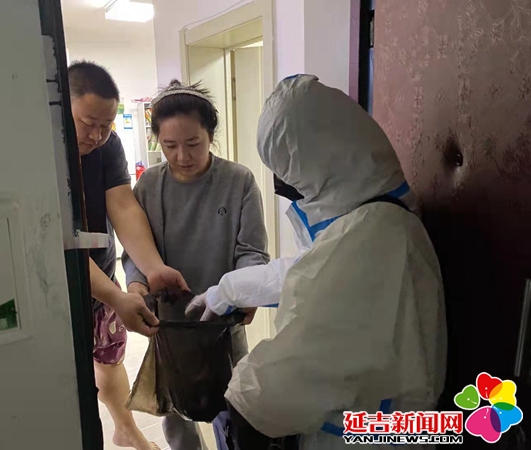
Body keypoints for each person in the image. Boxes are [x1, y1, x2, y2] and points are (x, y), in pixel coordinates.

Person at [187, 74, 447, 449]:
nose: (283, 186)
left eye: (288, 172)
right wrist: (225, 291)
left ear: (323, 159)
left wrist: (241, 399)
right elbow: (309, 272)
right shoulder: (376, 218)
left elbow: (302, 361)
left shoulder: (374, 232)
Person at [121, 79, 270, 450]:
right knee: (175, 410)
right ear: (157, 140)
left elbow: (251, 250)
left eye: (193, 144)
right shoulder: (149, 186)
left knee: (235, 405)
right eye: (170, 146)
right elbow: (135, 250)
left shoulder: (238, 181)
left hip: (222, 320)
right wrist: (136, 285)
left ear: (211, 136)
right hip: (170, 323)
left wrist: (246, 290)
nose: (182, 156)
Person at [69, 61, 189, 450]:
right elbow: (55, 239)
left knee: (109, 358)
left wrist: (153, 268)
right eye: (88, 123)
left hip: (101, 275)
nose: (97, 135)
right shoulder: (41, 150)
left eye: (106, 125)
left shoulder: (107, 146)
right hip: (60, 288)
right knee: (69, 377)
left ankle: (126, 429)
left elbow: (122, 204)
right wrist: (116, 297)